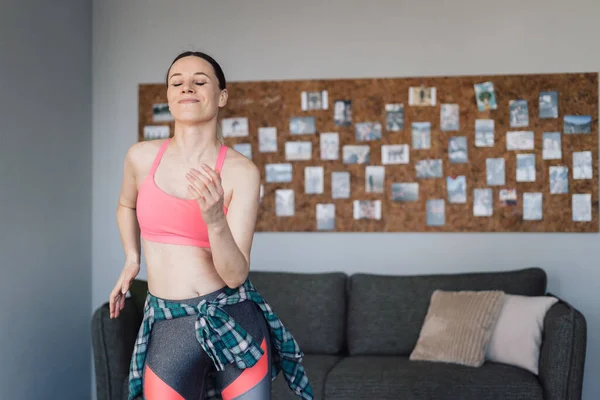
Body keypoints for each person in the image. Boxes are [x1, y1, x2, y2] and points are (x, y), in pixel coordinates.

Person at [108, 50, 313, 400]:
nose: (187, 87)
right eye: (177, 82)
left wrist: (215, 218)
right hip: (169, 324)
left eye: (200, 81)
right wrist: (132, 259)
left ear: (221, 97)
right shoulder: (140, 157)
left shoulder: (241, 172)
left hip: (232, 315)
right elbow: (125, 205)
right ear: (169, 97)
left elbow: (234, 275)